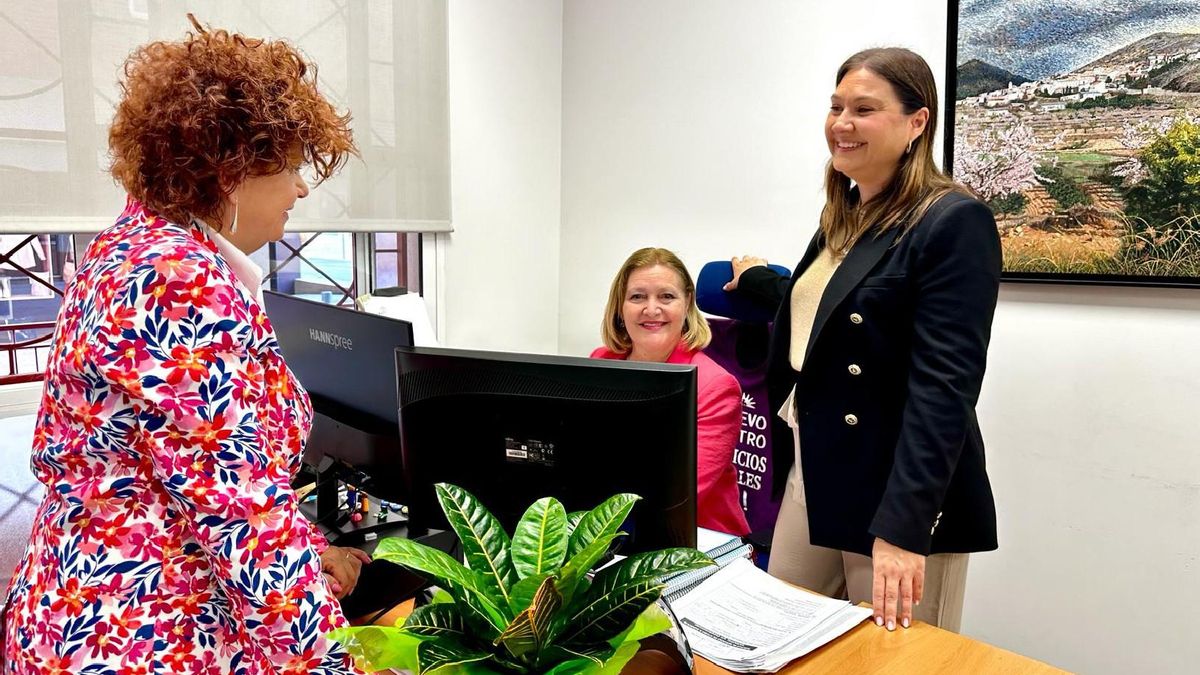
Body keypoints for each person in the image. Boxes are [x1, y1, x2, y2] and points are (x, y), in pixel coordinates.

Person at [1, 17, 368, 674]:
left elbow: (180, 475)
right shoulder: (178, 281)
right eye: (289, 164)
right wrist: (343, 663)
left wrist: (311, 551)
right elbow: (239, 517)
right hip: (142, 636)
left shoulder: (129, 248)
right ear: (232, 168)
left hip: (88, 612)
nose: (301, 187)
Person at [724, 47, 1001, 633]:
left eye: (864, 109)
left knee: (895, 662)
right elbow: (834, 307)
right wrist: (757, 279)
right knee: (777, 633)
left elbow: (945, 389)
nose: (842, 124)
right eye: (836, 107)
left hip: (895, 486)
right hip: (817, 464)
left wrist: (904, 527)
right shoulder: (845, 214)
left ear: (917, 122)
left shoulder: (951, 221)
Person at [593, 248, 751, 537]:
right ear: (620, 306)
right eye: (637, 297)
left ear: (687, 303)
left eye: (666, 296)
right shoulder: (601, 362)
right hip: (611, 527)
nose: (651, 309)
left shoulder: (714, 386)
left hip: (696, 537)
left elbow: (679, 493)